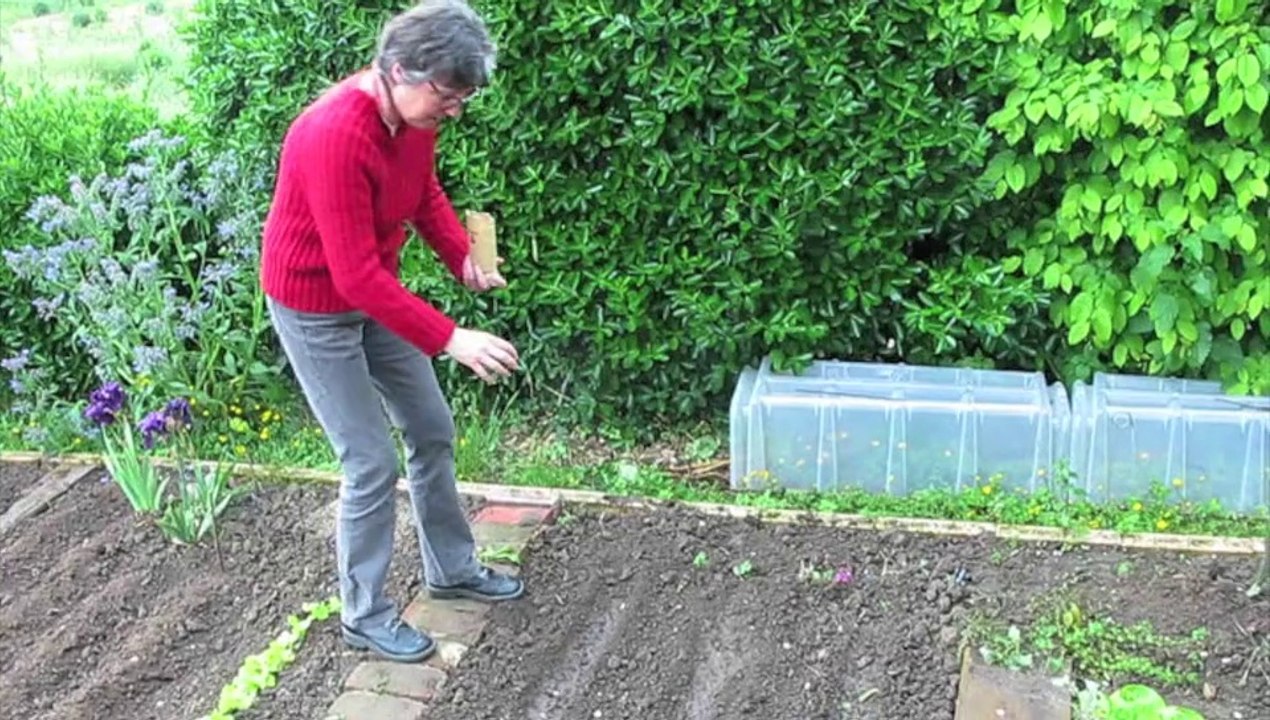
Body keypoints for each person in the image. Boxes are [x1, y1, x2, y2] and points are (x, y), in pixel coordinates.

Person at [259, 0, 522, 664]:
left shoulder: (414, 119)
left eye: (462, 100)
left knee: (431, 428)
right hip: (314, 306)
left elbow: (421, 192)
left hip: (373, 293)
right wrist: (451, 337)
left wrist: (461, 256)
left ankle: (451, 569)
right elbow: (352, 276)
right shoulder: (332, 134)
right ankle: (365, 613)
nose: (453, 112)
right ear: (399, 70)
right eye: (447, 96)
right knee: (369, 461)